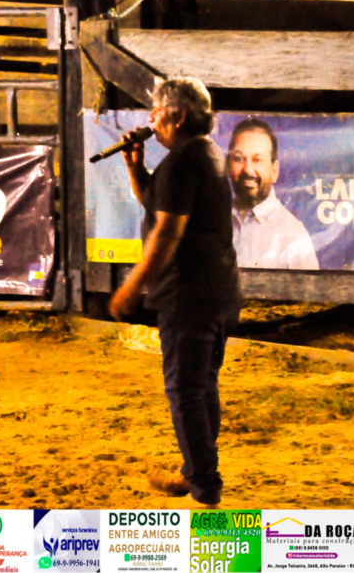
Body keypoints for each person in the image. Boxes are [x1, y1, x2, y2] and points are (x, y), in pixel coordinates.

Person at [108, 77, 242, 508]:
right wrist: (135, 166)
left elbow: (166, 232)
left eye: (156, 111)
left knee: (185, 390)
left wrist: (131, 286)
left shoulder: (185, 160)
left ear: (178, 115)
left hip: (189, 294)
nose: (150, 119)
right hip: (216, 290)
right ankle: (197, 470)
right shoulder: (202, 154)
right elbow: (157, 202)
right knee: (202, 385)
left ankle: (203, 485)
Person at [227, 118, 319, 270]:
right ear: (228, 165)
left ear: (274, 171)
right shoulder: (211, 222)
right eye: (239, 159)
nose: (248, 170)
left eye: (257, 160)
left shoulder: (293, 235)